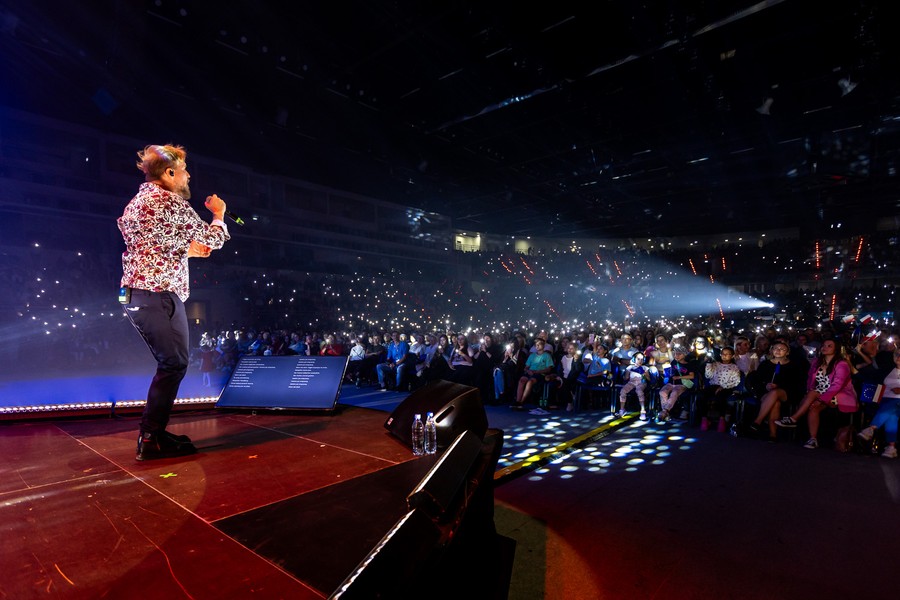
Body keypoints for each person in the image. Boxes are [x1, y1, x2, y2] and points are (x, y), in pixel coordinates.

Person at [118, 144, 230, 460]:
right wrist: (219, 214)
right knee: (174, 363)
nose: (188, 175)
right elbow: (215, 239)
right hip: (158, 294)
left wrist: (185, 251)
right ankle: (150, 437)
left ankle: (153, 434)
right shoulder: (171, 202)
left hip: (137, 293)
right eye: (184, 170)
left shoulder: (137, 202)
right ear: (169, 173)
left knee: (172, 362)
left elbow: (149, 245)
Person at [774, 339, 859, 449]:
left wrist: (821, 399)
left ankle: (794, 418)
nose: (825, 347)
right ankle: (813, 439)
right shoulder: (816, 361)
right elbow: (810, 380)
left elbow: (838, 385)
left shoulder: (841, 364)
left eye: (829, 346)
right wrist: (810, 395)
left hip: (838, 394)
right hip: (818, 392)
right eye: (824, 345)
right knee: (813, 406)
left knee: (813, 394)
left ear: (836, 349)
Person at [743, 340, 806, 441]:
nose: (778, 350)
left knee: (775, 392)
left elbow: (796, 383)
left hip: (786, 393)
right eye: (776, 348)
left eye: (782, 349)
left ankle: (757, 422)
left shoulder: (794, 366)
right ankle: (773, 434)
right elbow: (757, 381)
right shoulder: (765, 364)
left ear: (787, 352)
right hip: (766, 393)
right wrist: (766, 386)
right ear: (772, 351)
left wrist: (779, 385)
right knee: (775, 403)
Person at [856, 347, 900, 458]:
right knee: (892, 416)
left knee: (893, 407)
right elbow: (875, 379)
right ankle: (891, 447)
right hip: (885, 400)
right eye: (897, 355)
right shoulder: (888, 369)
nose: (899, 357)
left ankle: (871, 428)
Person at [616, 351, 651, 420]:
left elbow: (649, 379)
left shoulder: (645, 368)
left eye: (642, 359)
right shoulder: (630, 367)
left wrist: (644, 374)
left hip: (641, 382)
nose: (640, 361)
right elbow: (626, 378)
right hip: (631, 382)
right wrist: (626, 374)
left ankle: (643, 410)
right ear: (634, 359)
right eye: (638, 359)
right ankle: (622, 409)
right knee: (623, 391)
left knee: (639, 391)